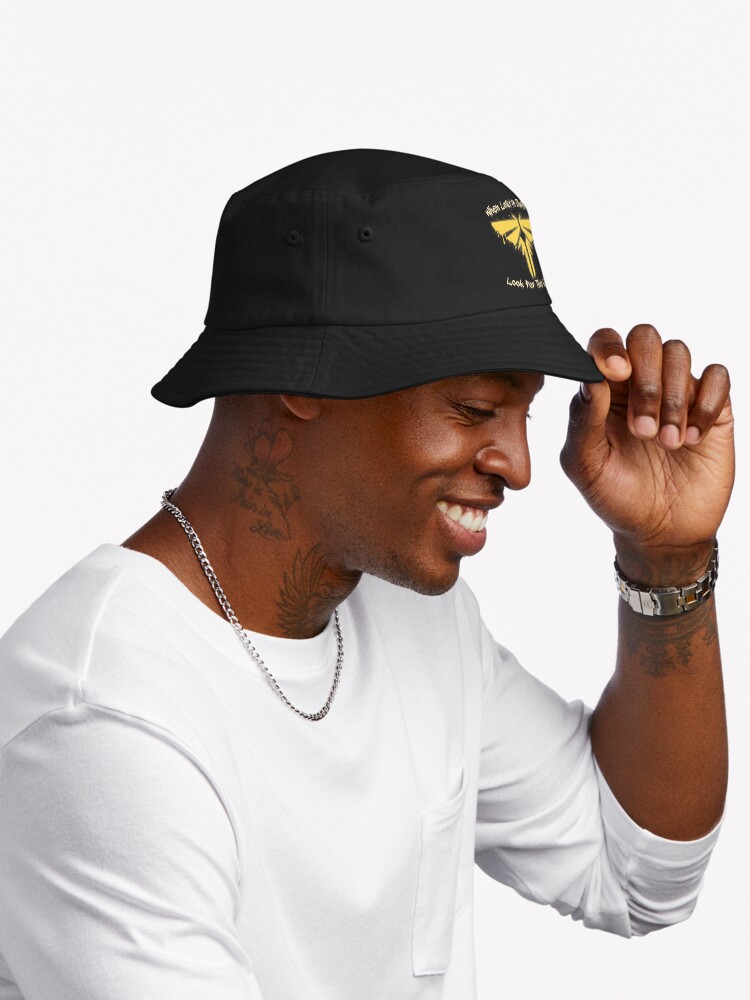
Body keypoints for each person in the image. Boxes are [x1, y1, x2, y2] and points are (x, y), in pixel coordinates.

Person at [0, 149, 733, 1000]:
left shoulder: (417, 619)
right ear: (305, 375)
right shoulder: (103, 718)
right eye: (474, 408)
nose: (521, 464)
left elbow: (634, 871)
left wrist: (666, 559)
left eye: (524, 412)